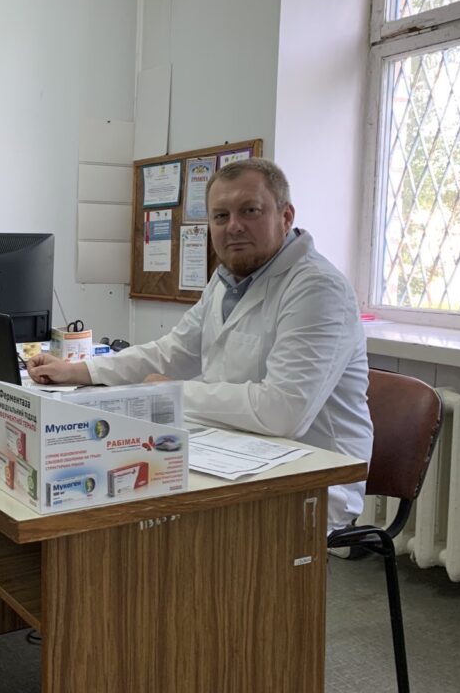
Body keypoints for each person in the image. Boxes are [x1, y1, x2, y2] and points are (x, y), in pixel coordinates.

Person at [27, 158, 372, 530]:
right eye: (220, 216)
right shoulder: (228, 280)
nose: (233, 226)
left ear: (286, 216)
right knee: (117, 490)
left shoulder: (317, 288)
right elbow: (172, 352)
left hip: (308, 480)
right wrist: (78, 370)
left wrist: (172, 393)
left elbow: (283, 411)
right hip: (233, 453)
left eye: (250, 211)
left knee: (145, 518)